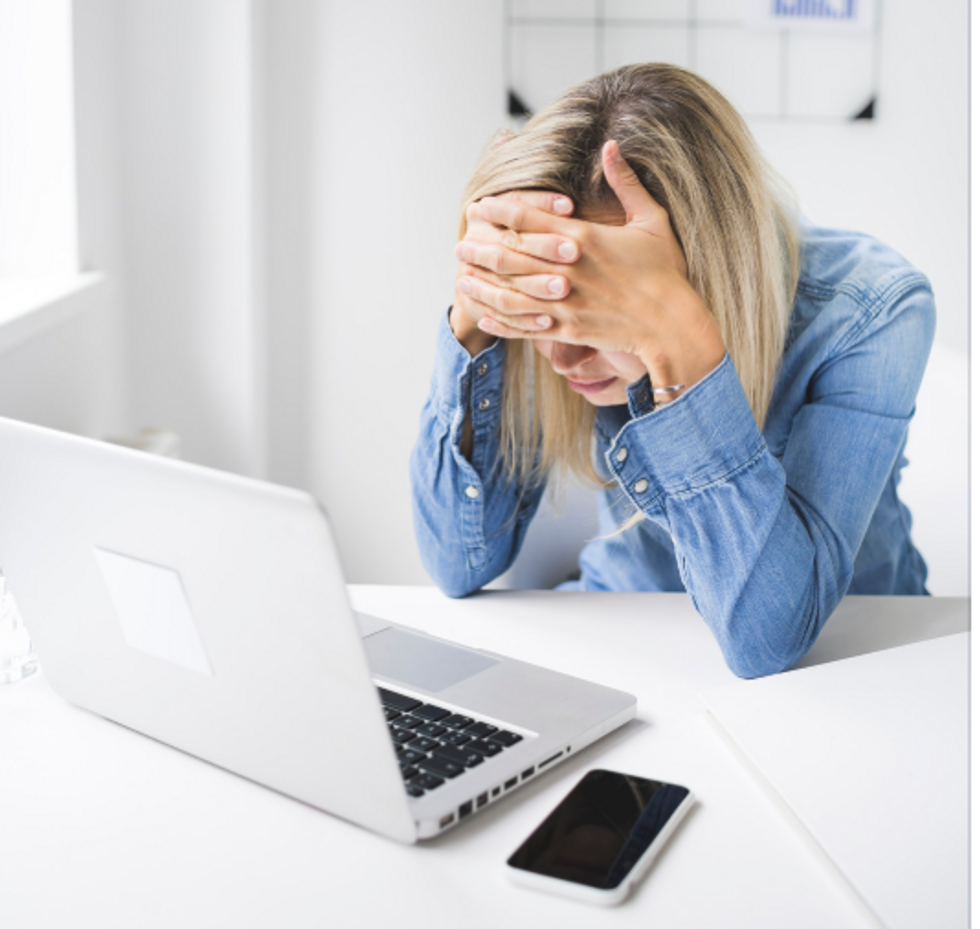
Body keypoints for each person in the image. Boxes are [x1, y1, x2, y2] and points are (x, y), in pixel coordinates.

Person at [410, 63, 934, 678]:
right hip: (630, 632)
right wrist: (477, 319)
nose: (563, 359)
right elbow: (456, 563)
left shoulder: (871, 306)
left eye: (595, 318)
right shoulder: (546, 310)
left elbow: (766, 641)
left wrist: (679, 341)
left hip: (861, 662)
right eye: (548, 318)